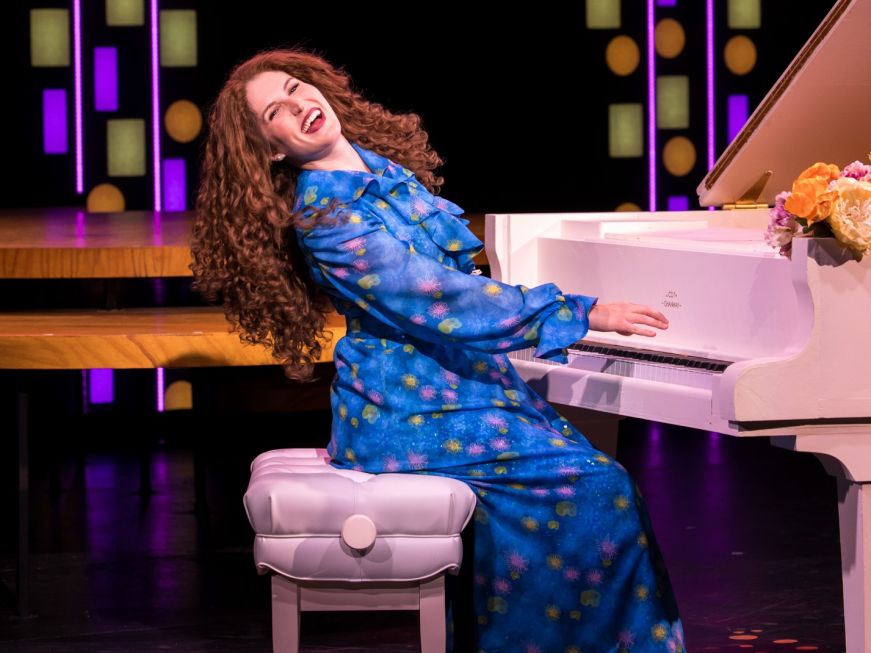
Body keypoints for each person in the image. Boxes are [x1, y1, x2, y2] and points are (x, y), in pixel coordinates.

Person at [192, 48, 685, 653]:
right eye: (277, 110)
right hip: (406, 411)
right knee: (595, 486)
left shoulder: (383, 175)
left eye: (298, 89)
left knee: (591, 482)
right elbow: (444, 300)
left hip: (461, 388)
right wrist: (581, 313)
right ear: (272, 149)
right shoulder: (328, 219)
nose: (300, 106)